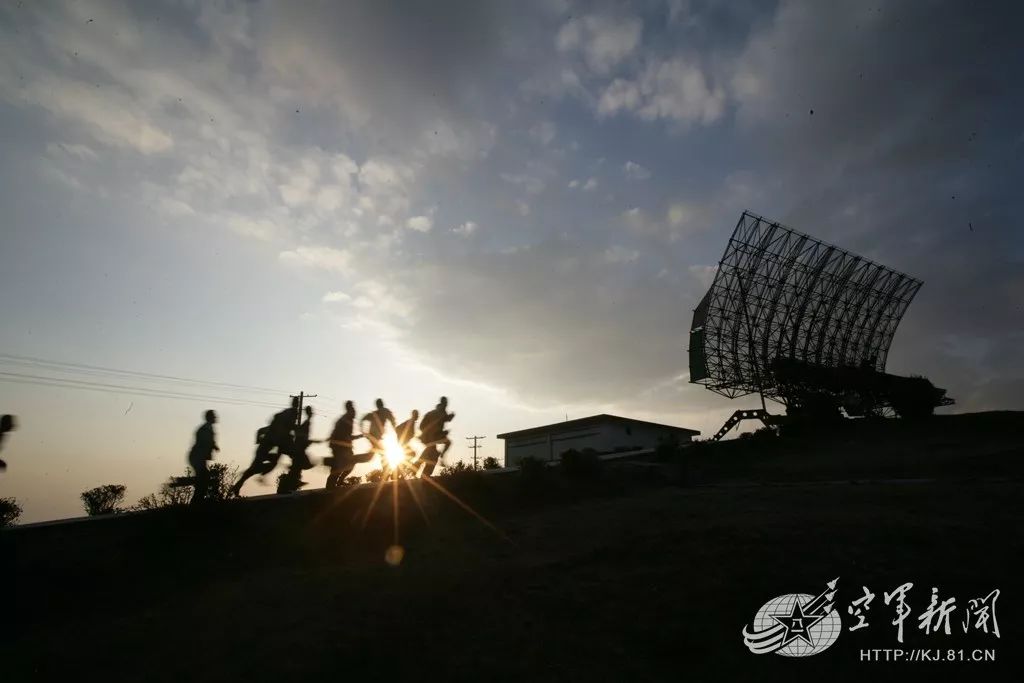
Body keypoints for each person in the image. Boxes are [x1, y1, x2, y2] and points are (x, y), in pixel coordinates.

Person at [231, 399, 298, 496]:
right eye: (294, 419)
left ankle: (239, 485)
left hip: (266, 448)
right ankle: (284, 484)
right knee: (260, 467)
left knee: (257, 468)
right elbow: (282, 440)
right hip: (267, 448)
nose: (295, 421)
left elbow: (260, 431)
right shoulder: (281, 429)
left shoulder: (278, 427)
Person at [325, 401, 370, 489]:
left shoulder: (347, 419)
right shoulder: (345, 420)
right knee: (342, 465)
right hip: (339, 446)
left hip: (341, 446)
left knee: (346, 464)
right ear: (350, 411)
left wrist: (360, 436)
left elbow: (347, 437)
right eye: (353, 413)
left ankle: (337, 482)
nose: (354, 416)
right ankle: (332, 485)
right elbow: (345, 436)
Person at [278, 405, 318, 494]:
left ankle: (289, 486)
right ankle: (287, 487)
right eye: (310, 412)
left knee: (297, 469)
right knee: (298, 468)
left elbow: (301, 436)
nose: (311, 414)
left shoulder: (306, 423)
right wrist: (309, 441)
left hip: (299, 449)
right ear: (309, 413)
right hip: (298, 450)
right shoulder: (306, 423)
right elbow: (301, 437)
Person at [188, 410, 219, 504]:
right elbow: (204, 442)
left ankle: (198, 503)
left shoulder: (208, 428)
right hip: (197, 457)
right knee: (203, 481)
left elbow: (208, 441)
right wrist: (213, 446)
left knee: (204, 481)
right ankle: (195, 505)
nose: (216, 418)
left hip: (199, 457)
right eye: (214, 416)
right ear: (210, 417)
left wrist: (214, 446)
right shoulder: (205, 429)